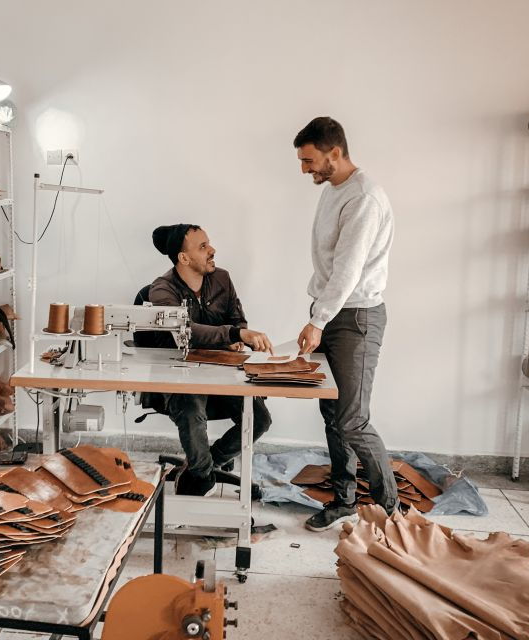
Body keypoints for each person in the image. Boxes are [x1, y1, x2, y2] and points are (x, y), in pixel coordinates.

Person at [293, 117, 398, 531]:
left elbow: (349, 269)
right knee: (332, 413)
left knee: (353, 418)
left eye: (309, 160)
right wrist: (318, 314)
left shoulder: (364, 198)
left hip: (355, 317)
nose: (305, 169)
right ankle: (344, 501)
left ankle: (392, 515)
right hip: (330, 310)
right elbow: (331, 264)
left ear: (334, 152)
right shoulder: (334, 189)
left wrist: (319, 321)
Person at [144, 224, 274, 496]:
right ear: (184, 258)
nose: (212, 250)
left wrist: (238, 334)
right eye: (202, 247)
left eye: (209, 244)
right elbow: (185, 329)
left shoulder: (222, 279)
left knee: (260, 419)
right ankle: (202, 477)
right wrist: (234, 333)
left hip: (222, 374)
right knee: (192, 409)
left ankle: (203, 467)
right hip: (180, 377)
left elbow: (238, 320)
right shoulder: (162, 290)